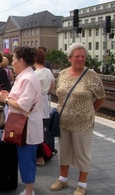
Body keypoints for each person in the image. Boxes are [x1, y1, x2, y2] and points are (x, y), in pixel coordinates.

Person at [50, 43, 106, 195]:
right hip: (64, 121)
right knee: (64, 152)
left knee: (82, 153)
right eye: (77, 56)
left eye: (83, 56)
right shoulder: (63, 74)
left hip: (83, 123)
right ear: (70, 58)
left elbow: (101, 97)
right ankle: (62, 178)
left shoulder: (92, 76)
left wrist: (90, 111)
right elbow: (60, 94)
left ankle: (82, 184)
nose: (80, 59)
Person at [0, 45, 43, 195]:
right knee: (24, 158)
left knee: (27, 159)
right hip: (23, 126)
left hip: (26, 128)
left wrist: (5, 99)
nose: (12, 62)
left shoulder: (28, 79)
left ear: (21, 61)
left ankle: (29, 192)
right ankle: (28, 189)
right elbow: (20, 98)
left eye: (14, 59)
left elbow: (24, 105)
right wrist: (9, 96)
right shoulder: (24, 76)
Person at [34, 48, 55, 166]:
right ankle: (45, 152)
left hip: (37, 103)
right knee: (43, 130)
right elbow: (53, 84)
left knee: (37, 132)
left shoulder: (35, 74)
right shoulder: (48, 71)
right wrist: (47, 92)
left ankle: (40, 156)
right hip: (45, 101)